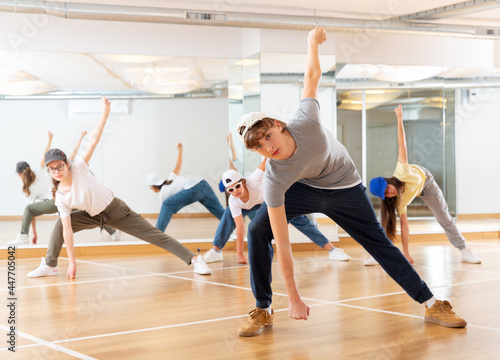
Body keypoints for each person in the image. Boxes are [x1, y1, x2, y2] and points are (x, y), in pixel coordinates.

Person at [235, 27, 467, 337]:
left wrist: (311, 43)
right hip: (303, 189)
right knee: (257, 229)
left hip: (345, 187)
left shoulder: (307, 122)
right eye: (259, 147)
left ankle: (431, 303)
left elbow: (312, 77)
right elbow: (284, 244)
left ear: (277, 125)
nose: (268, 147)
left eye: (267, 136)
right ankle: (263, 309)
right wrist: (293, 296)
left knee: (379, 243)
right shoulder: (275, 178)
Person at [27, 97, 211, 279]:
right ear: (49, 171)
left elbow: (94, 139)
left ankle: (195, 259)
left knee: (154, 235)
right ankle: (50, 265)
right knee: (60, 224)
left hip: (116, 211)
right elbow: (67, 231)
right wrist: (72, 262)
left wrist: (105, 114)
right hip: (93, 216)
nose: (57, 171)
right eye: (52, 169)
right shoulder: (60, 197)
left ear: (67, 164)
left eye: (60, 166)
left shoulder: (79, 168)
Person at [367, 105, 481, 266]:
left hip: (427, 183)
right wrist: (406, 253)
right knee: (381, 219)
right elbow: (405, 228)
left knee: (444, 217)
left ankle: (464, 250)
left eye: (387, 188)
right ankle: (377, 253)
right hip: (412, 191)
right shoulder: (397, 200)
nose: (389, 193)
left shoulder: (402, 171)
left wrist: (399, 119)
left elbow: (402, 145)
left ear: (388, 181)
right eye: (385, 195)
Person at [204, 159, 351, 264]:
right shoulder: (233, 201)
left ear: (243, 182)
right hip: (247, 206)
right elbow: (241, 227)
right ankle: (216, 252)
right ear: (227, 191)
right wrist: (240, 254)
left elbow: (265, 161)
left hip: (268, 201)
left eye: (237, 186)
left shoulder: (254, 180)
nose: (235, 191)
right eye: (231, 190)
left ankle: (332, 250)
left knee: (301, 220)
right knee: (228, 215)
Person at [10, 131, 119, 246]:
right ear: (29, 168)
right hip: (63, 196)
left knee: (28, 209)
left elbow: (30, 212)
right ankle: (114, 231)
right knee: (86, 211)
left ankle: (23, 236)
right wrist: (50, 139)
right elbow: (45, 154)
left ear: (19, 175)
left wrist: (34, 234)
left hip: (55, 200)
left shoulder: (26, 189)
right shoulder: (38, 170)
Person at [147, 143, 225, 232]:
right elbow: (178, 164)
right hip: (203, 183)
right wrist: (180, 150)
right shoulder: (170, 179)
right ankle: (237, 221)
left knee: (166, 205)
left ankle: (157, 234)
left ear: (153, 187)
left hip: (193, 189)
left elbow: (164, 212)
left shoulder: (163, 194)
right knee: (219, 211)